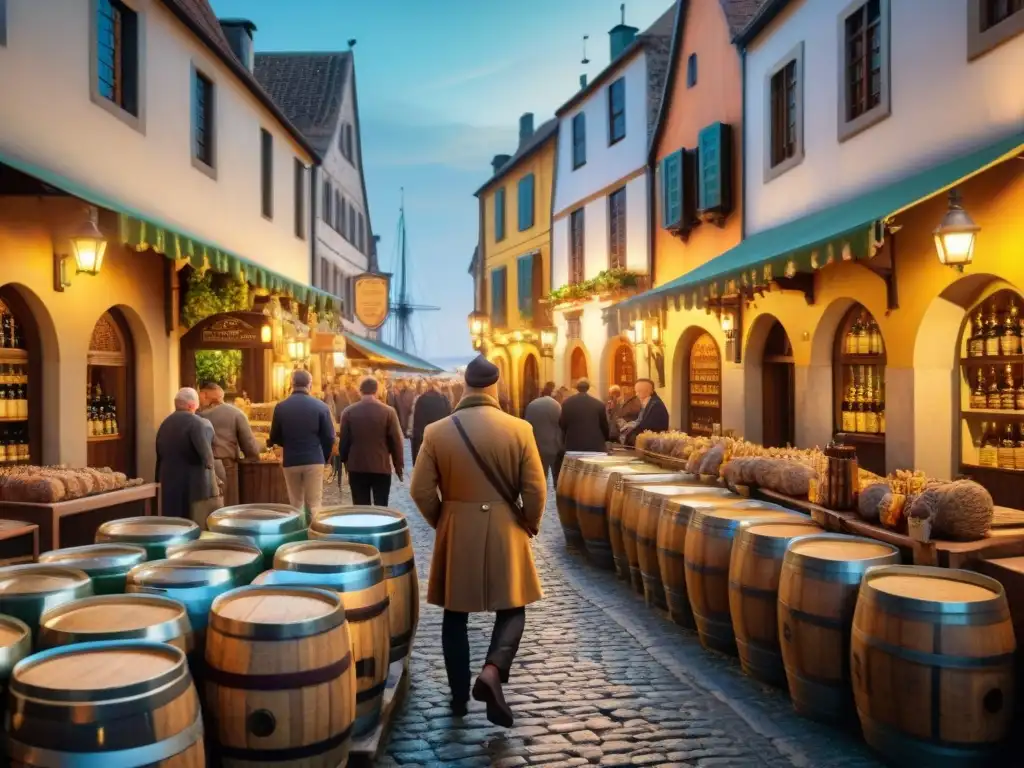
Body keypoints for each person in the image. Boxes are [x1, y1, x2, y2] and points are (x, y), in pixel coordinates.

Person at [410, 355, 545, 727]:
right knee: (513, 606)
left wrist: (446, 520)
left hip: (457, 525)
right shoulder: (519, 429)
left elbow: (420, 490)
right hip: (504, 524)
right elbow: (535, 488)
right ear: (495, 386)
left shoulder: (437, 431)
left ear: (464, 386)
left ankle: (457, 698)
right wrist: (529, 523)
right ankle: (492, 670)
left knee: (455, 615)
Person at [268, 370, 336, 518]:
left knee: (295, 504)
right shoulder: (321, 407)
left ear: (291, 384)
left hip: (291, 460)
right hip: (314, 459)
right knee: (314, 504)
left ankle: (297, 535)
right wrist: (323, 457)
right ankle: (314, 535)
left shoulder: (281, 407)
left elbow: (274, 436)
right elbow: (330, 437)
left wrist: (287, 444)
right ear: (309, 384)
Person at [338, 376, 405, 505]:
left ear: (360, 391)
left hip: (357, 466)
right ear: (377, 391)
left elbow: (344, 441)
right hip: (381, 465)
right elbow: (396, 441)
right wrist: (398, 466)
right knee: (381, 506)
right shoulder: (388, 412)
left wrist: (344, 460)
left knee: (360, 507)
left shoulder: (348, 412)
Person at [155, 388, 218, 523]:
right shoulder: (196, 423)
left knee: (173, 523)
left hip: (169, 481)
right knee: (192, 524)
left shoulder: (165, 423)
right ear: (192, 405)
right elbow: (207, 458)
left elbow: (159, 454)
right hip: (193, 484)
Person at [198, 382, 262, 508]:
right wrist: (252, 458)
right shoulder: (236, 413)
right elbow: (249, 444)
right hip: (227, 466)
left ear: (205, 395)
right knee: (228, 507)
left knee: (205, 507)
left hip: (201, 466)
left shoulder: (196, 416)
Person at [524, 381, 563, 485]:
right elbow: (560, 424)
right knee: (556, 475)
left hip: (537, 445)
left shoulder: (532, 405)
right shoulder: (556, 405)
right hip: (553, 445)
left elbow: (527, 425)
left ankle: (541, 495)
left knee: (540, 475)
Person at [559, 379, 610, 453]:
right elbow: (604, 426)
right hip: (595, 446)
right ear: (588, 388)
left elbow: (562, 424)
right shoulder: (599, 404)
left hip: (573, 445)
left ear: (577, 388)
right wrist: (606, 439)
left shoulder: (567, 403)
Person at [411, 379, 452, 466]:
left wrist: (415, 457)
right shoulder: (444, 400)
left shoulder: (421, 400)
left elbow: (417, 426)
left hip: (425, 440)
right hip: (442, 441)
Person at [623, 378, 670, 447]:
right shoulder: (649, 402)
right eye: (636, 391)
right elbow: (640, 420)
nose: (637, 394)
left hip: (652, 443)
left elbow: (647, 426)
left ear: (649, 391)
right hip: (648, 439)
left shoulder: (655, 405)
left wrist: (631, 428)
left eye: (639, 391)